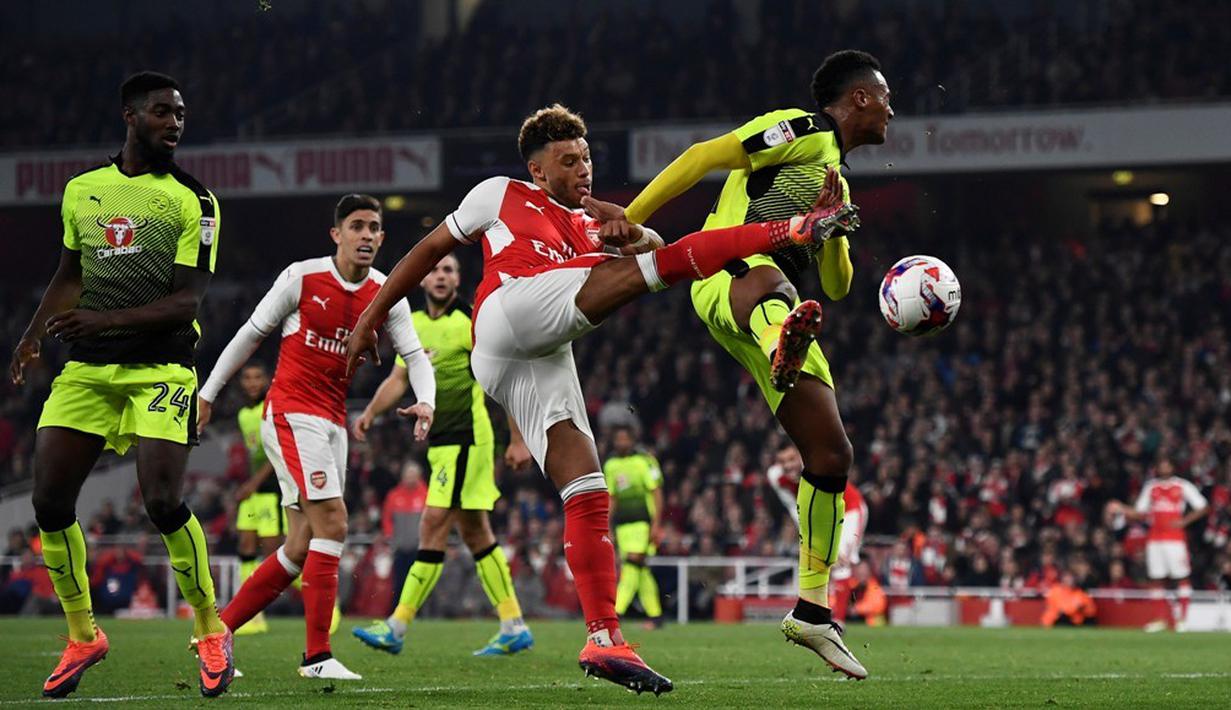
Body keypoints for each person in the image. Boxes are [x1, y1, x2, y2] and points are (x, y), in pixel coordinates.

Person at [346, 104, 858, 695]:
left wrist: (633, 228)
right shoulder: (499, 193)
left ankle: (604, 638)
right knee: (667, 264)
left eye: (586, 157)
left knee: (587, 490)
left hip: (527, 358)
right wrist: (371, 318)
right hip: (508, 312)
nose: (583, 169)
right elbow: (427, 251)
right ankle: (792, 230)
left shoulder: (595, 224)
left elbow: (659, 245)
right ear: (538, 172)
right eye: (568, 161)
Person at [621, 49, 894, 679]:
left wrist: (832, 228)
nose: (890, 109)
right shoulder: (800, 128)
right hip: (726, 276)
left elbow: (841, 285)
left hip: (779, 308)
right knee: (769, 279)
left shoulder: (839, 180)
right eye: (884, 96)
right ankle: (781, 339)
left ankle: (813, 610)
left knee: (832, 457)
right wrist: (629, 221)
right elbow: (701, 158)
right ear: (857, 98)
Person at [8, 71, 232, 698]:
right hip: (87, 370)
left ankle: (212, 628)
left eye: (181, 114)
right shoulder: (83, 190)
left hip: (160, 368)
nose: (176, 123)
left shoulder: (195, 201)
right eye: (163, 112)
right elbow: (69, 271)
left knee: (162, 502)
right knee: (49, 504)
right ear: (130, 116)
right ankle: (83, 635)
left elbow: (187, 301)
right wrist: (30, 335)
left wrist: (102, 318)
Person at [197, 193, 436, 680]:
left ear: (382, 238)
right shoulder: (302, 277)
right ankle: (316, 657)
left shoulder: (386, 291)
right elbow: (250, 333)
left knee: (301, 544)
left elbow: (415, 356)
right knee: (333, 524)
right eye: (357, 226)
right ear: (337, 234)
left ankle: (215, 634)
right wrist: (207, 394)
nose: (366, 235)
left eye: (374, 228)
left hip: (332, 423)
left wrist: (426, 399)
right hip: (290, 412)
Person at [352, 254, 536, 656]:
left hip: (468, 438)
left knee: (433, 522)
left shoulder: (469, 323)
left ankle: (397, 626)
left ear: (457, 279)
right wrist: (369, 412)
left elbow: (502, 380)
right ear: (423, 279)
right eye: (434, 269)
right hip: (441, 444)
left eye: (449, 269)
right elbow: (399, 379)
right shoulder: (413, 326)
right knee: (475, 532)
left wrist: (518, 439)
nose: (440, 275)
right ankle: (513, 624)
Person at [767, 444, 867, 624]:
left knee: (840, 560)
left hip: (849, 509)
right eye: (782, 461)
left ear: (801, 456)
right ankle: (822, 618)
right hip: (822, 517)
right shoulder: (775, 477)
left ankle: (839, 621)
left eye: (791, 459)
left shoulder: (817, 468)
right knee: (822, 564)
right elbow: (794, 507)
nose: (787, 466)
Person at [1110, 458, 1210, 631]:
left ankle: (1182, 619)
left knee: (1181, 576)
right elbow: (1140, 513)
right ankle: (1160, 619)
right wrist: (1122, 509)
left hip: (1175, 539)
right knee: (1156, 579)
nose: (1164, 468)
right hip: (1155, 539)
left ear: (1172, 466)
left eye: (1167, 464)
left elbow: (1203, 506)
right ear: (1157, 468)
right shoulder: (1151, 487)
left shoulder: (1182, 485)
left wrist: (1184, 521)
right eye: (1161, 465)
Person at [231, 361, 282, 635]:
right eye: (247, 377)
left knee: (277, 556)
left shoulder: (272, 408)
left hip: (273, 491)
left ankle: (323, 600)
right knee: (246, 547)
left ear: (266, 379)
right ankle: (252, 615)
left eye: (257, 376)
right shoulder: (242, 414)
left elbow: (277, 453)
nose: (252, 382)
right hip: (252, 493)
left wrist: (251, 484)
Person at [603, 425, 664, 628]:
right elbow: (612, 497)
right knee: (641, 571)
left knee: (631, 566)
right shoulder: (610, 465)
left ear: (632, 441)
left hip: (643, 522)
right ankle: (656, 617)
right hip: (623, 525)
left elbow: (656, 492)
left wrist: (656, 524)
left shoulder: (643, 461)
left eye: (625, 439)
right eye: (618, 439)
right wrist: (608, 525)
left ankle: (615, 614)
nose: (622, 443)